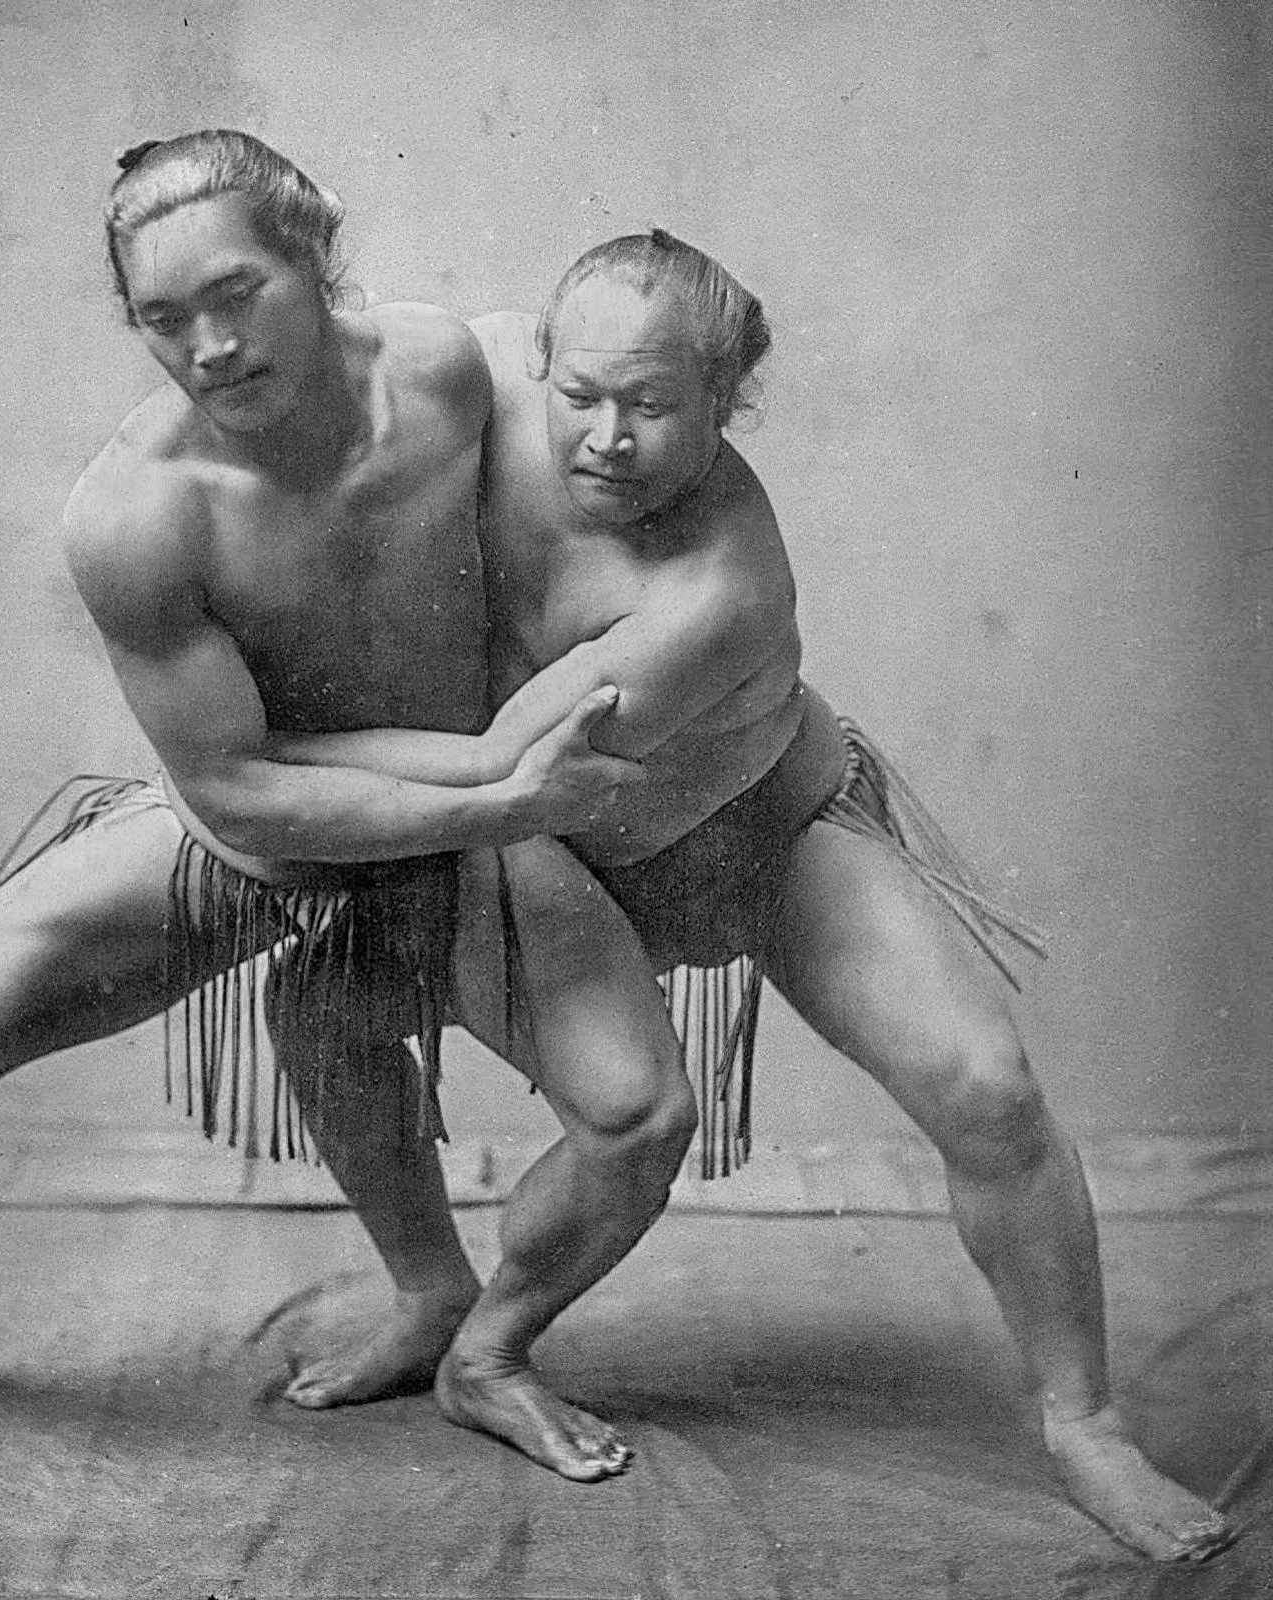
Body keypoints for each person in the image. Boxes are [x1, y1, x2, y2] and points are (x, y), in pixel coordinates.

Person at [258, 231, 1236, 1562]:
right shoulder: (464, 378)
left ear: (727, 401)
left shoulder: (719, 586)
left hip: (753, 832)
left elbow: (507, 761)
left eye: (654, 407)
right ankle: (447, 1310)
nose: (607, 438)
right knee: (324, 1002)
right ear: (535, 355)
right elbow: (294, 384)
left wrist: (245, 768)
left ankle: (1086, 1420)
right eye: (583, 394)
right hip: (541, 847)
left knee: (990, 1091)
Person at [0, 132, 697, 1487]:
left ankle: (477, 1341)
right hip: (280, 835)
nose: (205, 344)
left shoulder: (444, 369)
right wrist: (504, 796)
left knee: (640, 1117)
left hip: (475, 803)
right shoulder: (136, 514)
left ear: (319, 263)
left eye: (235, 292)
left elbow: (639, 422)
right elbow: (239, 791)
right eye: (161, 317)